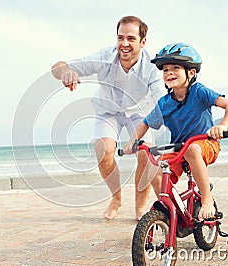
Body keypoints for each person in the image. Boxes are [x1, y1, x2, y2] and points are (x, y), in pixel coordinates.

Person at [51, 16, 165, 220]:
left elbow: (163, 102)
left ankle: (140, 208)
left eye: (131, 38)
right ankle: (117, 198)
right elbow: (57, 67)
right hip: (108, 110)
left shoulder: (152, 67)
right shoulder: (104, 57)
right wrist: (66, 72)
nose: (124, 44)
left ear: (143, 42)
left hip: (140, 112)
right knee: (104, 151)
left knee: (145, 156)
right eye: (120, 37)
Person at [123, 42, 228, 220]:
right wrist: (132, 142)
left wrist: (222, 126)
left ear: (191, 72)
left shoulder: (199, 92)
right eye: (165, 70)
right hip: (179, 149)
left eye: (175, 68)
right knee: (154, 165)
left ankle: (207, 199)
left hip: (205, 144)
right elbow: (144, 123)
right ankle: (171, 207)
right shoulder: (164, 103)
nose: (169, 73)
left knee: (192, 148)